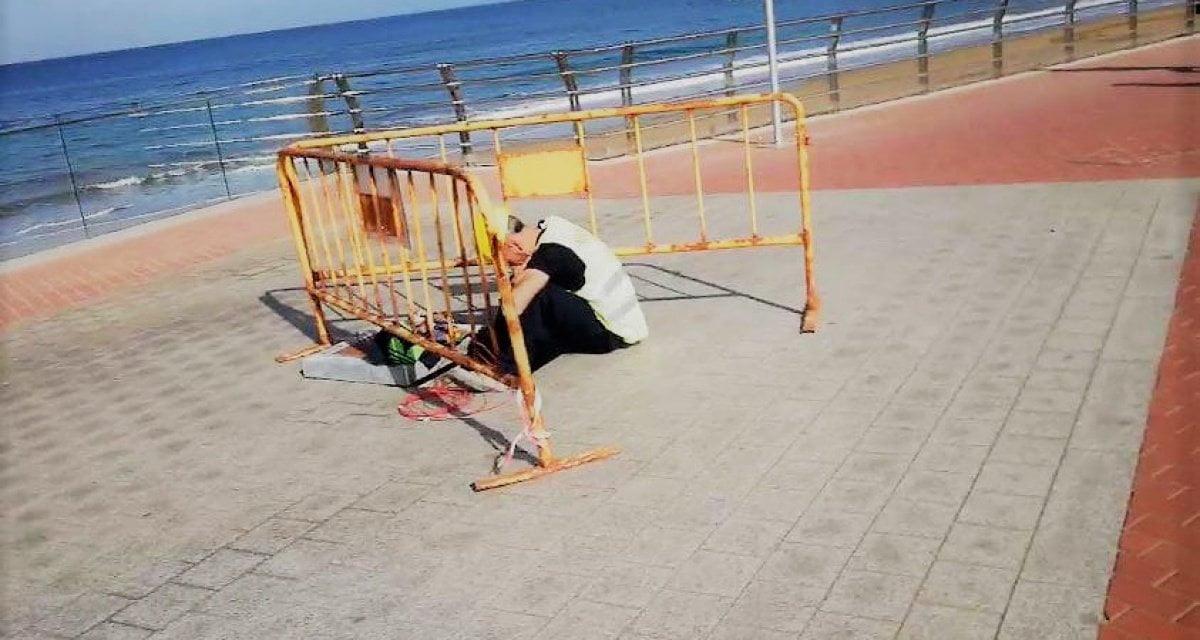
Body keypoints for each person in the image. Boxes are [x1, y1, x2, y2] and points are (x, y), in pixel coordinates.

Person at [447, 214, 648, 391]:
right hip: (618, 320)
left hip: (613, 332)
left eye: (503, 259)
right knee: (541, 303)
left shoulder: (551, 254)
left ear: (513, 245)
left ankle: (506, 369)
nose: (504, 265)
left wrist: (514, 280)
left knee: (537, 296)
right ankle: (488, 348)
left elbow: (513, 307)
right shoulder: (554, 227)